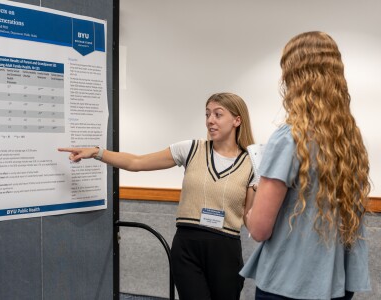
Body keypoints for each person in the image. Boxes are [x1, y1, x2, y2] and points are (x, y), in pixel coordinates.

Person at [59, 92, 257, 300]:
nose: (210, 120)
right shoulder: (191, 149)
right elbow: (137, 162)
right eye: (207, 114)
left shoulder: (252, 163)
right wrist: (97, 153)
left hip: (226, 250)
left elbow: (248, 216)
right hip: (187, 247)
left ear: (237, 120)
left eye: (218, 114)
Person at [240, 31, 371, 300]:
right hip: (336, 284)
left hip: (287, 285)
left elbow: (259, 229)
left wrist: (249, 197)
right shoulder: (349, 141)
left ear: (293, 76)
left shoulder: (289, 138)